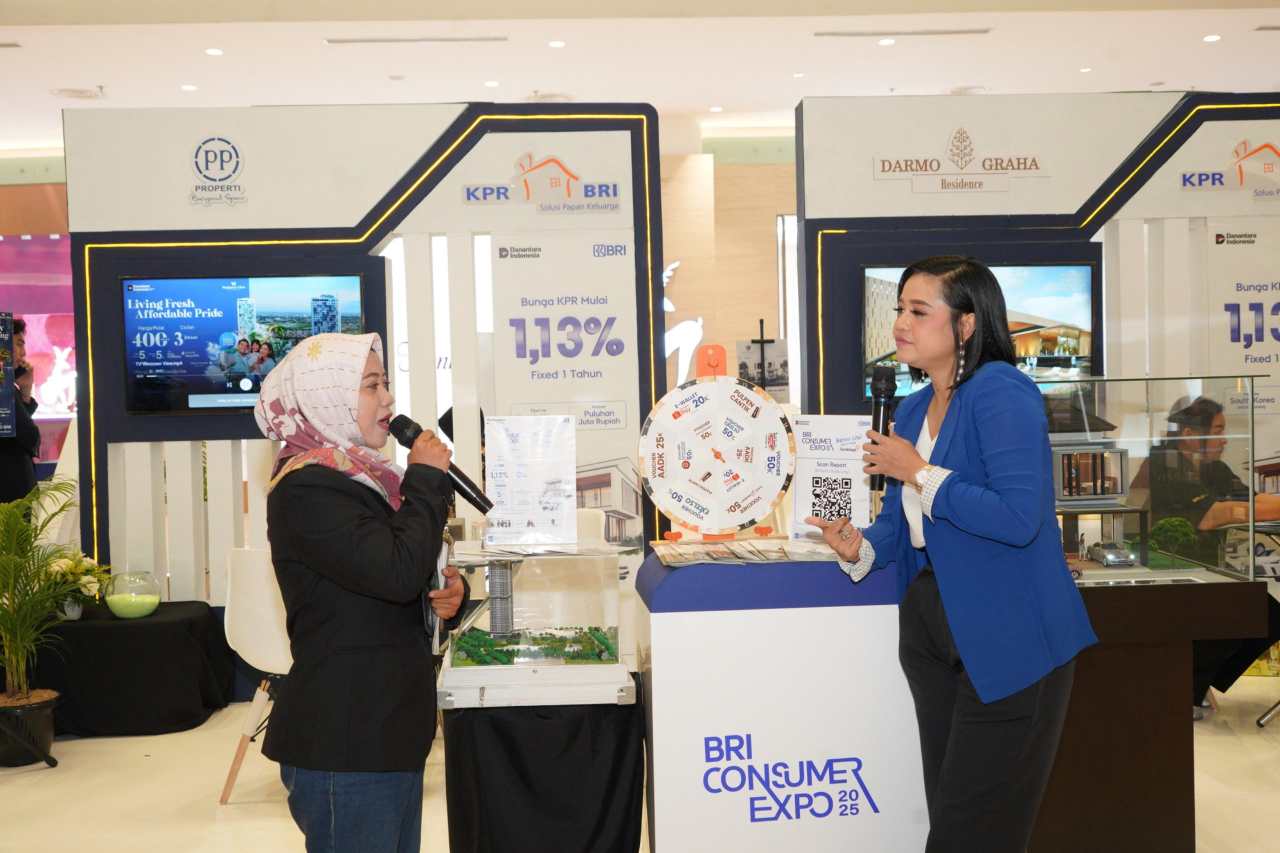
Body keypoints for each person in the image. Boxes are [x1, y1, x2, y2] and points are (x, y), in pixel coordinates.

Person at [809, 256, 1096, 852]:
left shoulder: (1002, 391)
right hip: (932, 627)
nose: (900, 324)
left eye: (919, 311)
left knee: (974, 832)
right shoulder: (913, 409)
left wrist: (919, 472)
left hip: (1008, 633)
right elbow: (902, 524)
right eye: (900, 310)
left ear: (966, 325)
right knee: (952, 813)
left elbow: (1019, 518)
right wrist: (860, 546)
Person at [254, 332, 468, 853]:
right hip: (346, 742)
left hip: (387, 732)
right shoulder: (306, 488)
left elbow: (392, 580)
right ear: (324, 396)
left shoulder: (366, 480)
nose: (388, 399)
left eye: (385, 384)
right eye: (371, 386)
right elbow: (394, 572)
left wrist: (445, 595)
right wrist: (425, 479)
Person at [1129, 396, 1280, 712]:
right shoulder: (1163, 464)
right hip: (1169, 570)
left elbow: (1255, 501)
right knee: (1244, 611)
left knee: (1271, 614)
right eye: (1218, 430)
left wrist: (1258, 505)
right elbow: (1215, 515)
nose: (1225, 439)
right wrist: (1242, 508)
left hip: (1207, 569)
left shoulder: (1214, 468)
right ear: (1189, 434)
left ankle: (1200, 682)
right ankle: (1187, 688)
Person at [0, 318, 41, 503]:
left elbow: (12, 428)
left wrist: (25, 393)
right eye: (18, 344)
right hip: (10, 500)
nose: (23, 353)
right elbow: (28, 435)